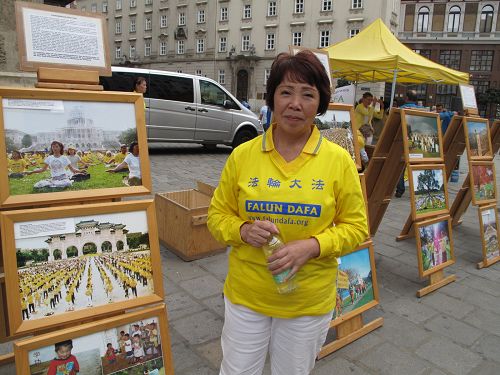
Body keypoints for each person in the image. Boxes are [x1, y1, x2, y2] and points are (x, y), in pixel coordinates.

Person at [207, 50, 368, 375]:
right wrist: (243, 231)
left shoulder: (338, 161)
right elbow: (216, 216)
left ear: (320, 102)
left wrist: (312, 246)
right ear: (273, 99)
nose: (295, 103)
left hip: (306, 303)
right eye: (286, 92)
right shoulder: (243, 156)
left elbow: (356, 227)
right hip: (246, 296)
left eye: (307, 94)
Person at [395, 90, 424, 198]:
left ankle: (400, 190)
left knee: (400, 167)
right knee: (417, 167)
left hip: (403, 142)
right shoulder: (423, 110)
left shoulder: (400, 109)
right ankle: (418, 189)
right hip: (418, 141)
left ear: (406, 98)